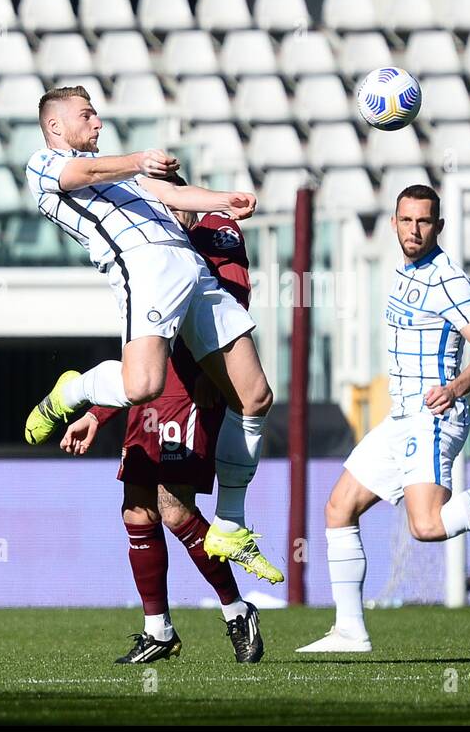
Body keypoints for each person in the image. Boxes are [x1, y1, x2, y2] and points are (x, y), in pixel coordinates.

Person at [297, 184, 470, 654]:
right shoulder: (404, 272)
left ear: (439, 226)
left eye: (424, 221)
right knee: (338, 507)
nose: (414, 229)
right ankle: (349, 630)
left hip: (431, 417)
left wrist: (454, 388)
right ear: (393, 223)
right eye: (406, 220)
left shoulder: (447, 277)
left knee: (425, 527)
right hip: (399, 418)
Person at [22, 86, 280, 583]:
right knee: (143, 386)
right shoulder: (44, 164)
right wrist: (138, 159)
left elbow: (172, 194)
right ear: (56, 127)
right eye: (86, 115)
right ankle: (74, 389)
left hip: (191, 271)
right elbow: (78, 173)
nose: (96, 123)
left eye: (96, 114)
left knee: (255, 396)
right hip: (146, 267)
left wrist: (224, 199)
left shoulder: (120, 175)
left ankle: (230, 522)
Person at [60, 196, 263, 664]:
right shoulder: (141, 233)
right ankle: (159, 630)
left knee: (173, 509)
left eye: (168, 197)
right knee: (136, 510)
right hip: (150, 387)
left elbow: (231, 299)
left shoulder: (216, 227)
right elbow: (142, 337)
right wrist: (97, 414)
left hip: (190, 388)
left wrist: (216, 375)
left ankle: (236, 611)